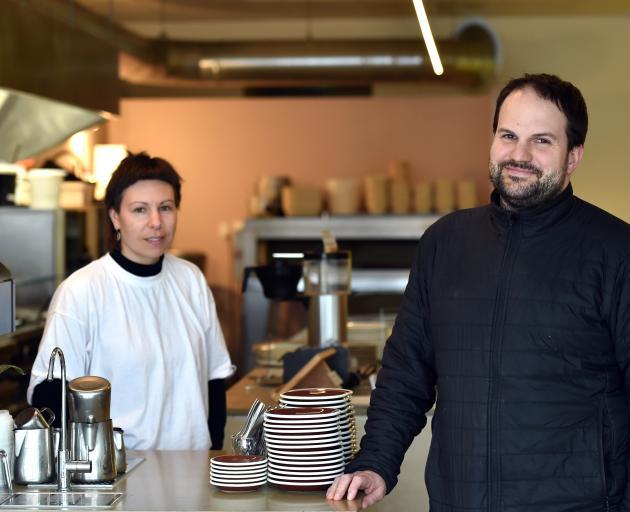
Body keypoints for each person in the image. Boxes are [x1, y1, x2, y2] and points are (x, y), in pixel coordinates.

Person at [328, 73, 630, 511]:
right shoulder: (445, 241)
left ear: (573, 156)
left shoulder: (615, 251)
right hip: (459, 501)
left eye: (542, 141)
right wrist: (376, 461)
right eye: (508, 135)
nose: (519, 155)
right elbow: (407, 370)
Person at [27, 152, 234, 450]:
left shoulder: (191, 280)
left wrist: (211, 453)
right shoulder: (82, 290)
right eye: (139, 210)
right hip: (121, 476)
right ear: (115, 217)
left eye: (166, 207)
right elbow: (49, 396)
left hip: (192, 470)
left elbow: (214, 379)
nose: (156, 222)